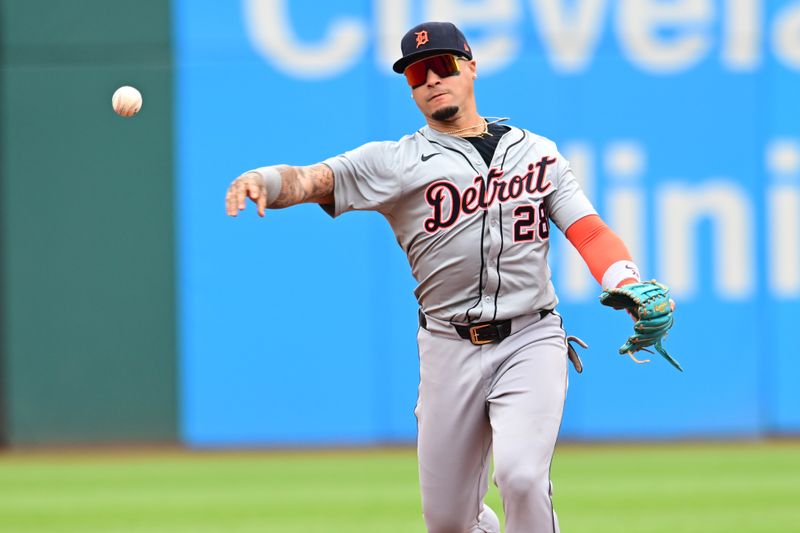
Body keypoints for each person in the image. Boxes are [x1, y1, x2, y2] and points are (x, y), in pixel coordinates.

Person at [225, 21, 672, 533]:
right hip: (446, 347)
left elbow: (589, 231)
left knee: (522, 477)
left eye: (443, 66)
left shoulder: (537, 153)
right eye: (418, 74)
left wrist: (626, 277)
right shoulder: (394, 162)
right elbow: (312, 179)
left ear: (471, 67)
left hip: (530, 336)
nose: (432, 79)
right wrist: (263, 180)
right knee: (448, 522)